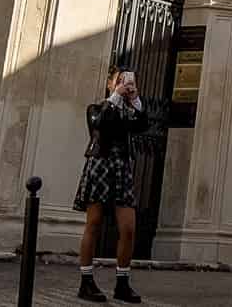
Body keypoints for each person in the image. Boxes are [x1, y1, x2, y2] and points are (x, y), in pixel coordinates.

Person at [74, 66, 147, 303]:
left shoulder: (128, 112)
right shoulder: (97, 108)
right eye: (120, 81)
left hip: (121, 168)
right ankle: (86, 282)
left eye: (128, 81)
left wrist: (134, 97)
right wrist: (116, 96)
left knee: (128, 228)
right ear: (110, 84)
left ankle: (122, 284)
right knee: (93, 223)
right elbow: (101, 123)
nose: (125, 84)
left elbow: (143, 124)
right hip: (100, 165)